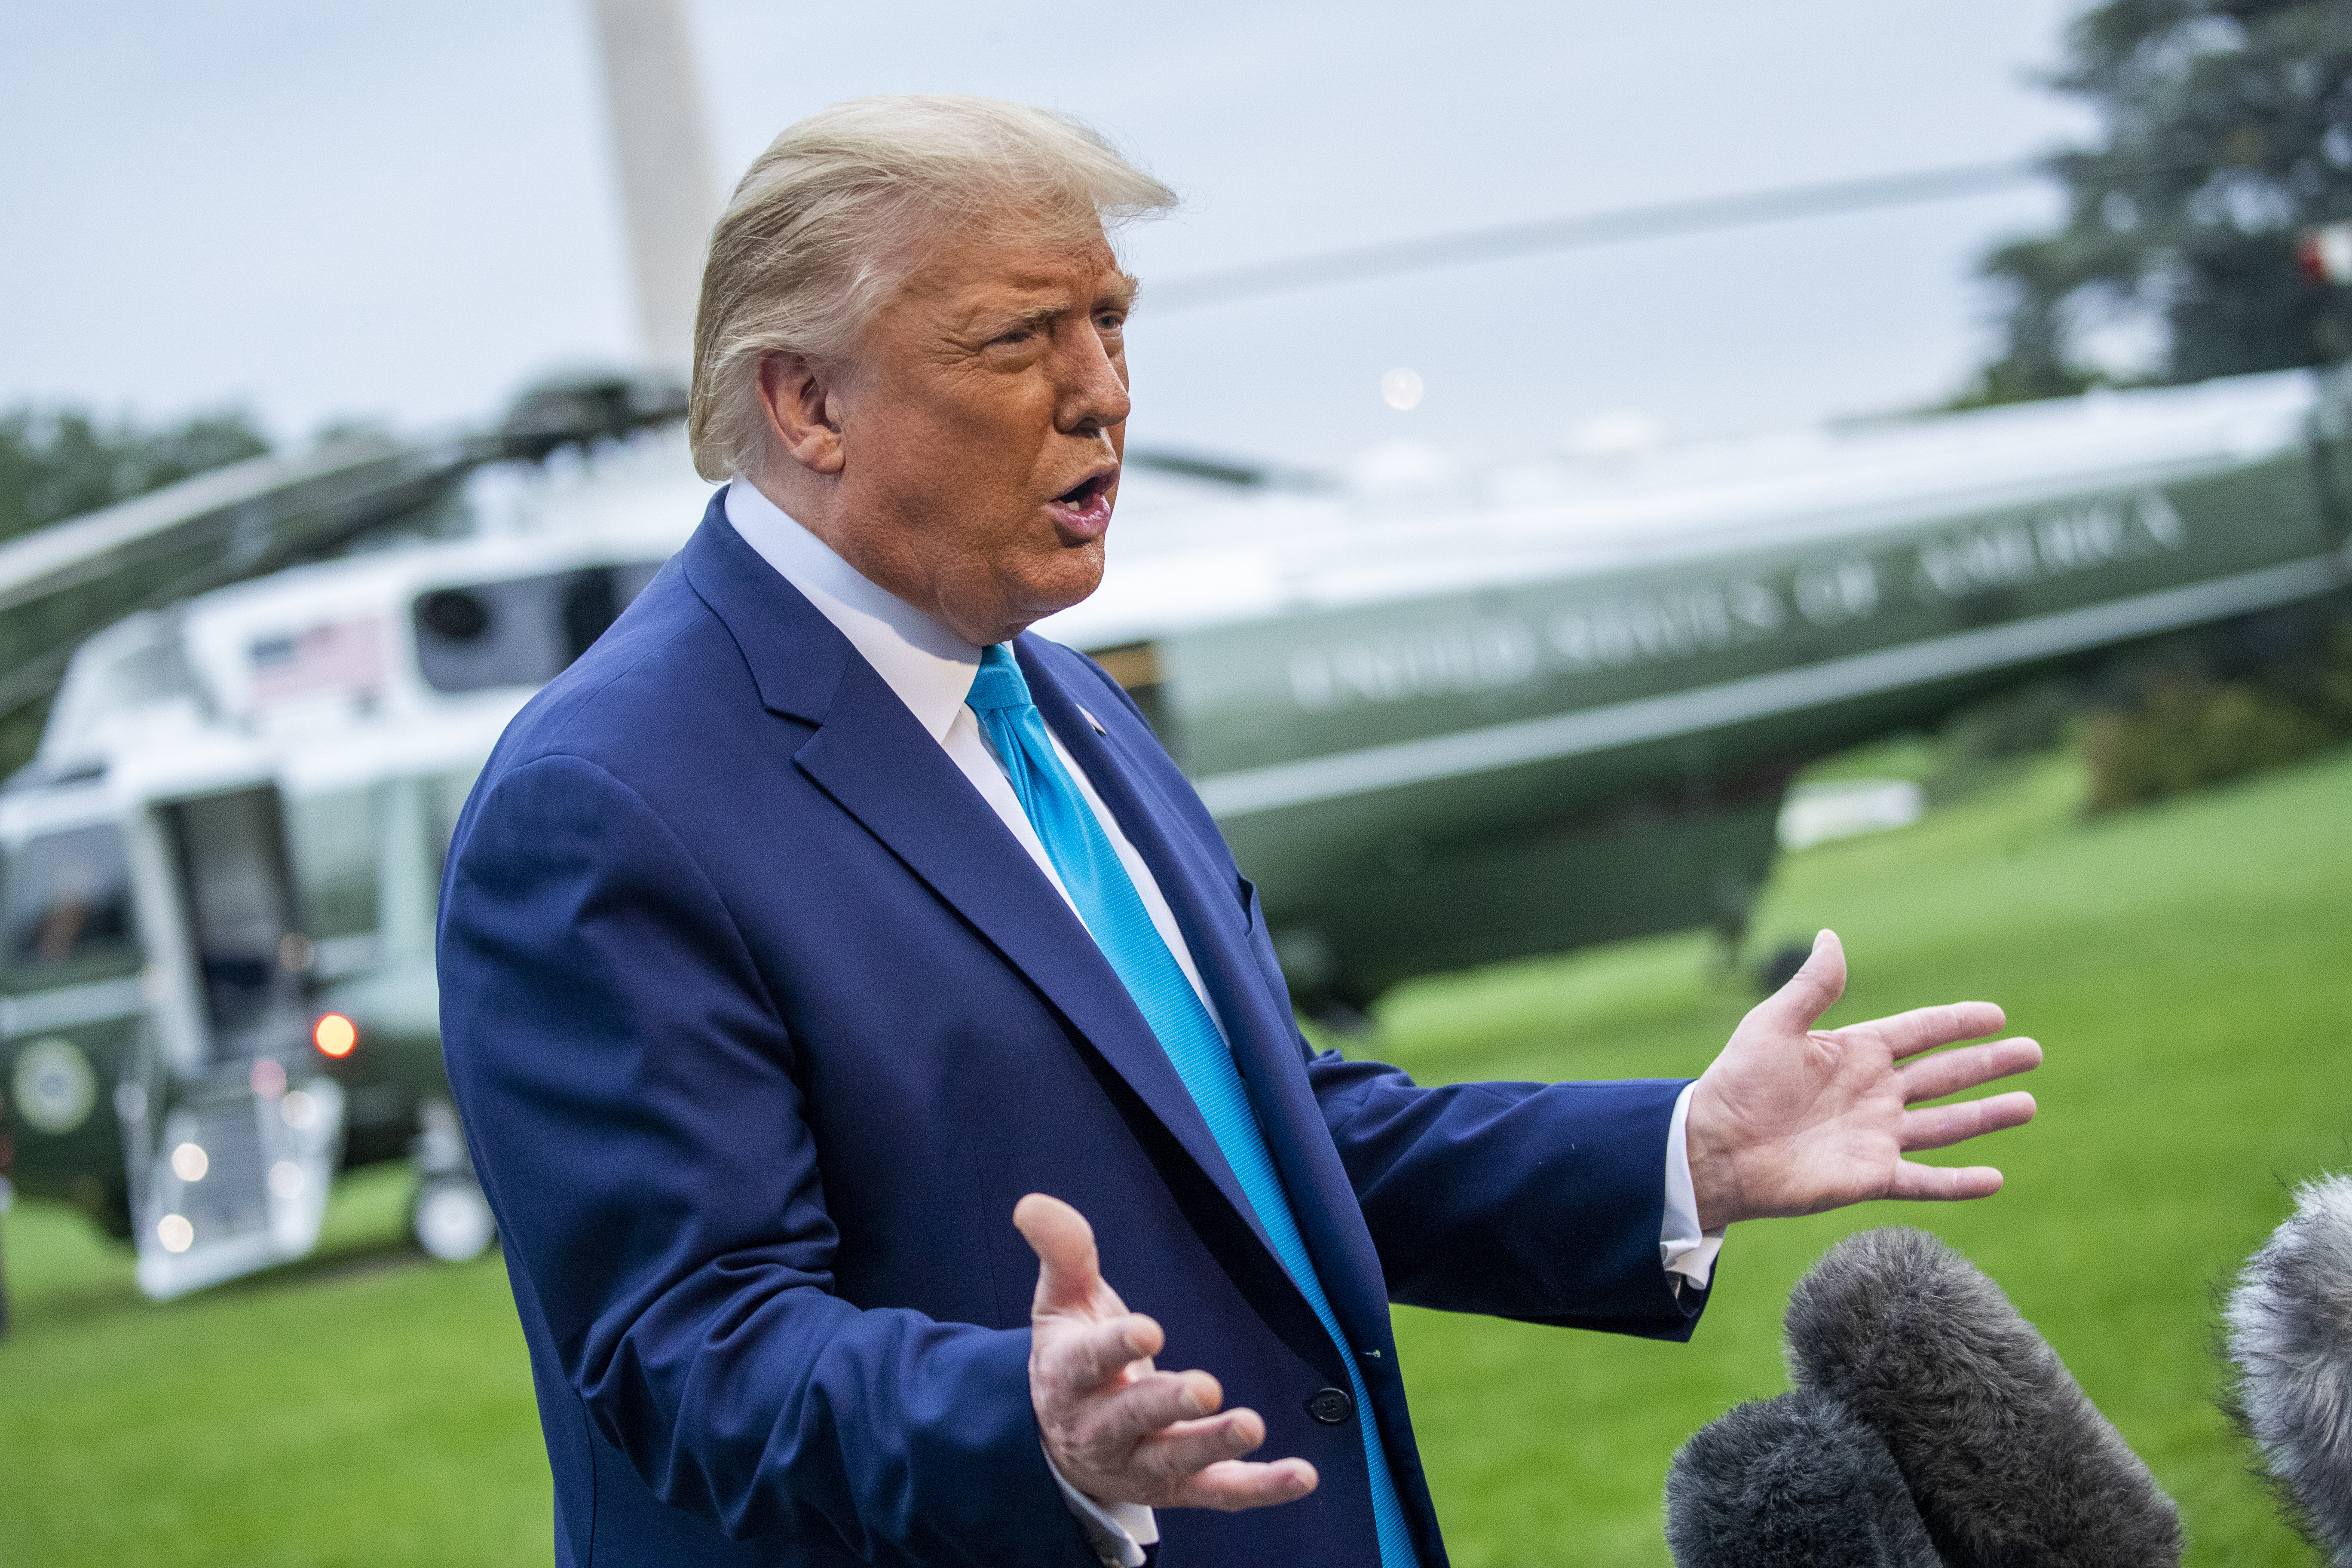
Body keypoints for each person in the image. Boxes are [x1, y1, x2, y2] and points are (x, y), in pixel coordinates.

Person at [436, 95, 2041, 1568]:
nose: (1103, 392)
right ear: (807, 402)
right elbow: (687, 1347)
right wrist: (1026, 1424)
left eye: (1113, 322)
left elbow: (1261, 1129)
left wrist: (1675, 1156)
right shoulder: (605, 800)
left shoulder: (1058, 697)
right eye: (1019, 338)